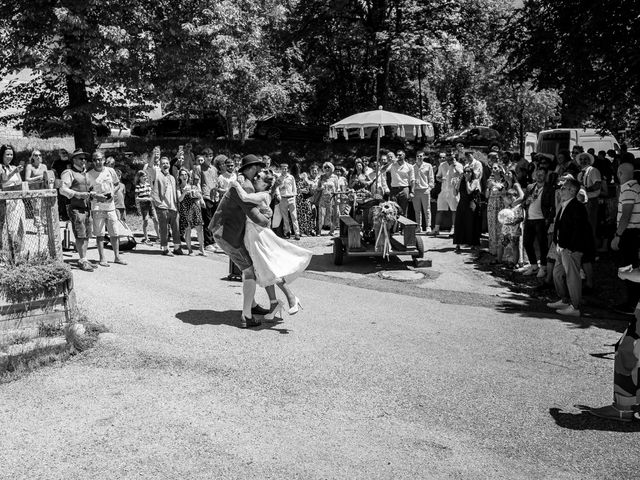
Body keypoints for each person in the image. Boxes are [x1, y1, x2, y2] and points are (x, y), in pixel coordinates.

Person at [230, 172, 312, 314]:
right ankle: (274, 303)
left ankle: (291, 297)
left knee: (269, 268)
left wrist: (235, 183)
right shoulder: (260, 192)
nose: (255, 178)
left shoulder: (264, 195)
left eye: (258, 177)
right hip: (252, 235)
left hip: (259, 236)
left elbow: (244, 197)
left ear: (265, 184)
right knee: (263, 270)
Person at [210, 155, 274, 328]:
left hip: (226, 231)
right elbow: (256, 217)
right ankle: (246, 316)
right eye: (259, 167)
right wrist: (268, 218)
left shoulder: (244, 183)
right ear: (251, 168)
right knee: (250, 271)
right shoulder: (246, 186)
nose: (260, 170)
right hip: (226, 234)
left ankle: (251, 306)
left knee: (248, 269)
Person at [546, 177, 594, 317]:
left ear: (572, 190)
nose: (560, 189)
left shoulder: (577, 206)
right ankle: (565, 300)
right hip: (561, 247)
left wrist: (570, 247)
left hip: (570, 248)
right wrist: (557, 243)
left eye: (563, 187)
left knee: (572, 277)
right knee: (557, 274)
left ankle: (575, 307)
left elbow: (579, 230)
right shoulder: (564, 204)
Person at [86, 151, 127, 267]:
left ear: (104, 160)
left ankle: (117, 256)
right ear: (93, 161)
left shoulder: (111, 171)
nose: (98, 162)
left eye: (100, 159)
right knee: (100, 234)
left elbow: (117, 184)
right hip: (97, 207)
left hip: (110, 207)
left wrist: (112, 192)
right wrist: (96, 195)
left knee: (115, 233)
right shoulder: (89, 174)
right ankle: (102, 258)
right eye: (95, 160)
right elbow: (87, 191)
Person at [611, 162, 640, 315]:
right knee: (632, 267)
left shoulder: (628, 189)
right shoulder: (635, 187)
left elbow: (626, 216)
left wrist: (617, 236)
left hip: (629, 234)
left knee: (629, 268)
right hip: (633, 233)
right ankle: (632, 302)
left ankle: (631, 305)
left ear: (620, 173)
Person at [59, 149, 93, 270]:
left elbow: (90, 188)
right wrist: (77, 194)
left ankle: (84, 258)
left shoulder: (86, 173)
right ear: (74, 159)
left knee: (87, 233)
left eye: (84, 158)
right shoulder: (68, 172)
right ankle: (82, 259)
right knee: (80, 233)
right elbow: (62, 189)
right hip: (75, 206)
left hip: (87, 207)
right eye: (80, 158)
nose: (83, 160)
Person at [521, 166, 554, 277]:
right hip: (529, 219)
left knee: (542, 245)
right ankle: (534, 266)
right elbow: (522, 204)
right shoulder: (530, 187)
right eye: (537, 174)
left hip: (541, 220)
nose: (539, 177)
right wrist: (527, 201)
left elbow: (553, 206)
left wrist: (549, 220)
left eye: (541, 175)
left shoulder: (550, 188)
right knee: (527, 243)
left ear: (545, 176)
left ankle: (543, 267)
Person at [148, 156, 183, 256]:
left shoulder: (172, 177)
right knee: (164, 229)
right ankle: (165, 249)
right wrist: (153, 155)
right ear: (160, 165)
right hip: (162, 207)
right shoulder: (157, 175)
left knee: (176, 228)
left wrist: (177, 205)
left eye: (167, 163)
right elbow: (150, 168)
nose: (165, 165)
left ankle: (177, 247)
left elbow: (176, 191)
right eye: (163, 163)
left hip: (173, 207)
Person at [0, 144, 26, 257]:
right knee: (9, 228)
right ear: (2, 155)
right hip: (6, 201)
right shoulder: (0, 167)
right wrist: (14, 172)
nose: (9, 157)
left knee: (20, 226)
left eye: (11, 154)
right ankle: (6, 253)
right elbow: (3, 181)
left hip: (18, 200)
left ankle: (18, 251)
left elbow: (19, 182)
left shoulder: (12, 167)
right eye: (7, 154)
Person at [433, 152, 463, 236]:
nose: (450, 157)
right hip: (443, 190)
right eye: (448, 156)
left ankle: (454, 229)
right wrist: (441, 179)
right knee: (439, 209)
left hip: (453, 191)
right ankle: (436, 229)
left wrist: (455, 166)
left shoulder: (459, 165)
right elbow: (437, 177)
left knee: (454, 210)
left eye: (452, 156)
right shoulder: (442, 165)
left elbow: (462, 175)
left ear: (454, 157)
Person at [177, 168, 206, 256]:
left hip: (195, 208)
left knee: (199, 229)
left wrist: (198, 195)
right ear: (179, 177)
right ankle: (190, 250)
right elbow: (179, 199)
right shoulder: (179, 187)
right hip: (185, 209)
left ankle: (202, 248)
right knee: (188, 230)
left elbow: (199, 197)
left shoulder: (193, 186)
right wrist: (184, 192)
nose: (184, 176)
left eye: (186, 174)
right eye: (182, 174)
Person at [453, 167, 482, 252]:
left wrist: (466, 181)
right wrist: (457, 183)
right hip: (462, 204)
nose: (466, 173)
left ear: (471, 173)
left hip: (471, 204)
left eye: (468, 172)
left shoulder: (475, 181)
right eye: (465, 172)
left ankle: (472, 243)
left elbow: (469, 191)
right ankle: (458, 243)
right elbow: (455, 193)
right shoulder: (461, 181)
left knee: (471, 223)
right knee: (459, 222)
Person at [200, 148, 220, 252]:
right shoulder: (200, 168)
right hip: (206, 196)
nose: (209, 158)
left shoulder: (214, 169)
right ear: (203, 157)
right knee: (207, 220)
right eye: (207, 156)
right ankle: (207, 242)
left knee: (214, 220)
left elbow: (216, 181)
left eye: (211, 156)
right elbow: (198, 184)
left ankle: (213, 241)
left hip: (215, 196)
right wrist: (200, 198)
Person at [486, 163, 506, 257]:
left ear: (500, 169)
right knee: (492, 226)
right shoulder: (490, 181)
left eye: (495, 168)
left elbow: (504, 191)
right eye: (492, 168)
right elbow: (486, 195)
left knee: (500, 226)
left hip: (501, 204)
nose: (493, 169)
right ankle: (493, 249)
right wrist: (488, 188)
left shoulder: (504, 180)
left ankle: (501, 250)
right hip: (491, 205)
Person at [386, 150, 414, 216]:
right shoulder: (392, 165)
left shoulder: (409, 166)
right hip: (394, 190)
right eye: (397, 155)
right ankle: (394, 226)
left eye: (400, 155)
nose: (398, 156)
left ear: (404, 155)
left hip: (404, 189)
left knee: (403, 211)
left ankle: (402, 226)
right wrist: (390, 162)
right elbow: (383, 170)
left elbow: (412, 180)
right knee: (393, 210)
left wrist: (412, 192)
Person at [412, 150, 435, 233]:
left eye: (421, 156)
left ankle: (428, 227)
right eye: (418, 156)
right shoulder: (413, 167)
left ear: (424, 157)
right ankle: (419, 226)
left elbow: (431, 178)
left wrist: (429, 188)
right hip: (416, 190)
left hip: (425, 190)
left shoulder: (428, 166)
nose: (419, 157)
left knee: (427, 210)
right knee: (417, 210)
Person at [134, 170, 158, 244]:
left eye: (145, 176)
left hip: (150, 204)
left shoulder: (148, 185)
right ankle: (146, 238)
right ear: (139, 177)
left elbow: (151, 194)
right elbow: (137, 198)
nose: (145, 177)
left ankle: (159, 236)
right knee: (146, 221)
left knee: (155, 220)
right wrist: (146, 198)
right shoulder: (138, 186)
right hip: (144, 205)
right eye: (143, 176)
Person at [277, 163, 300, 240]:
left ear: (288, 169)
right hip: (283, 198)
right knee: (285, 217)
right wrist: (278, 195)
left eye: (286, 168)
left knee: (294, 216)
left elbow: (294, 187)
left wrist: (294, 196)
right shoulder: (279, 178)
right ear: (281, 169)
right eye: (283, 168)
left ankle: (297, 233)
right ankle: (287, 232)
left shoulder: (291, 177)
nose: (285, 170)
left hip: (291, 198)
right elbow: (277, 188)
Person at [316, 162, 339, 236]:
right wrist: (321, 188)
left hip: (332, 198)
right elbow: (318, 188)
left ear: (331, 168)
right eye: (325, 167)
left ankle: (331, 231)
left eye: (328, 167)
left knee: (332, 215)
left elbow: (337, 188)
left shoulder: (335, 177)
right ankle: (319, 231)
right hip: (323, 198)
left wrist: (337, 198)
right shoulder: (322, 177)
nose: (326, 169)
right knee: (321, 215)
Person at [293, 165, 315, 236]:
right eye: (296, 169)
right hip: (298, 199)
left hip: (305, 198)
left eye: (299, 168)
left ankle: (309, 230)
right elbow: (294, 189)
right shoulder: (292, 178)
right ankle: (302, 231)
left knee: (308, 213)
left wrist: (306, 190)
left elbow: (308, 186)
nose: (298, 170)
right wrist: (301, 190)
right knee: (300, 215)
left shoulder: (303, 177)